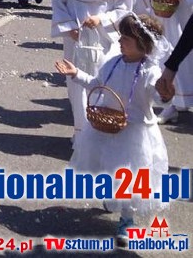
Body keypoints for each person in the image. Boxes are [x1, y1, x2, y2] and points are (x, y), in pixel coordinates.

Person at [55, 14, 169, 245]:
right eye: (122, 36)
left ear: (143, 43)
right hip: (106, 127)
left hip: (134, 134)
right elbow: (97, 84)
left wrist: (164, 94)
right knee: (106, 167)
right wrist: (76, 73)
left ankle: (126, 218)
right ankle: (111, 196)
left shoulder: (149, 71)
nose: (120, 41)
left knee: (130, 176)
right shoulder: (113, 62)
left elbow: (156, 94)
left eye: (127, 38)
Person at [51, 0, 136, 142]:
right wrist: (69, 27)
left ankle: (104, 133)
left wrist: (102, 19)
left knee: (103, 84)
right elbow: (59, 4)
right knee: (76, 87)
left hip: (105, 40)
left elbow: (125, 8)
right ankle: (82, 134)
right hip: (76, 41)